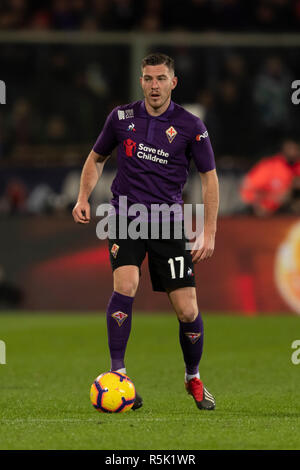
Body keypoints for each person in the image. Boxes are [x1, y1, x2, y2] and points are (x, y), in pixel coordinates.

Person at [72, 53, 219, 411]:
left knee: (187, 311)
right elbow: (96, 158)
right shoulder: (121, 118)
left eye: (161, 79)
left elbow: (209, 177)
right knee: (125, 285)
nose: (154, 86)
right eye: (148, 79)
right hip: (126, 216)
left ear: (173, 82)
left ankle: (192, 377)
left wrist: (209, 231)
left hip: (169, 222)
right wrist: (82, 198)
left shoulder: (190, 126)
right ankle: (119, 375)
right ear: (141, 82)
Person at [240, 139, 300, 216]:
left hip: (288, 211)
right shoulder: (268, 167)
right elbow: (246, 191)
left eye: (297, 148)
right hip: (263, 213)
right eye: (292, 148)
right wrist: (273, 197)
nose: (295, 152)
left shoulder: (297, 166)